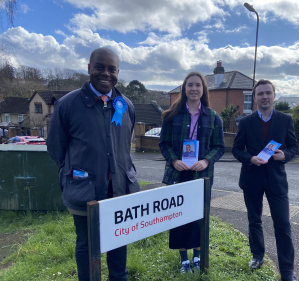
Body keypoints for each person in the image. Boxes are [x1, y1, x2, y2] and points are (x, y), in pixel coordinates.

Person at [47, 47, 139, 281]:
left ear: (118, 72)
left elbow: (124, 146)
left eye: (112, 69)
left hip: (119, 188)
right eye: (99, 67)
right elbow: (56, 148)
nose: (105, 73)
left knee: (119, 238)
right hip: (85, 189)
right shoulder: (67, 105)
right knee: (86, 243)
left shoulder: (126, 105)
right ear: (89, 68)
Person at [232, 79, 298, 281]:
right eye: (260, 94)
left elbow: (294, 147)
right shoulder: (245, 122)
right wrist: (250, 158)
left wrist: (284, 155)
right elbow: (236, 149)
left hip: (276, 181)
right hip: (252, 178)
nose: (265, 97)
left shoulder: (285, 120)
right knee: (254, 220)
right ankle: (258, 255)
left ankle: (287, 271)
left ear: (274, 95)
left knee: (283, 224)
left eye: (268, 93)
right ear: (255, 97)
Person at [159, 71, 225, 273]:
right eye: (190, 85)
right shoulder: (171, 115)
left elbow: (219, 147)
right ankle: (183, 259)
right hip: (178, 174)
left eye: (198, 85)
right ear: (184, 89)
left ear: (203, 89)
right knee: (178, 218)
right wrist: (174, 160)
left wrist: (206, 160)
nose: (194, 89)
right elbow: (164, 143)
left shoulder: (214, 118)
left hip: (201, 176)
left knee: (198, 217)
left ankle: (197, 257)